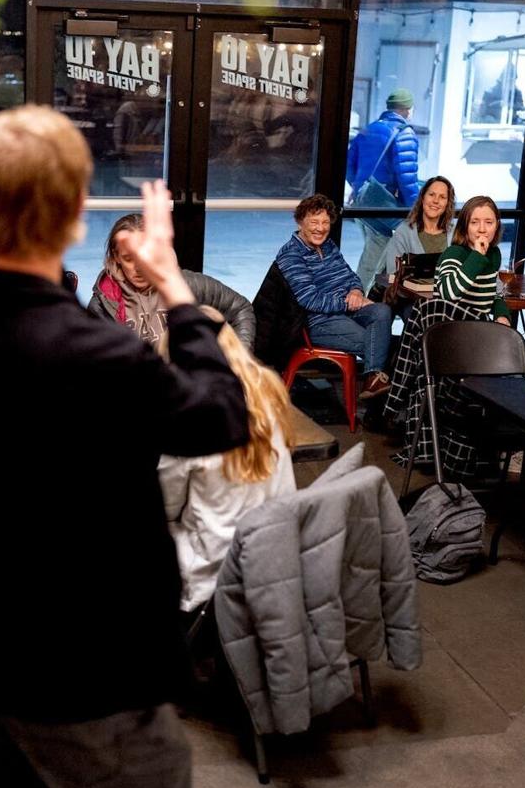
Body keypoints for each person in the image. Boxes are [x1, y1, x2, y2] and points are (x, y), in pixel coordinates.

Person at [0, 105, 248, 788]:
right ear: (76, 214)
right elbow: (222, 418)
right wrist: (176, 286)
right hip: (90, 672)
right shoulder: (101, 352)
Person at [158, 307, 295, 613]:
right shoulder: (269, 393)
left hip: (212, 574)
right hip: (273, 560)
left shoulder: (186, 417)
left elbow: (165, 506)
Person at [276, 194, 394, 398]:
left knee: (382, 310)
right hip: (318, 322)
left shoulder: (328, 246)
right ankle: (377, 388)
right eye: (314, 222)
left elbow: (351, 277)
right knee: (383, 345)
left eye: (325, 222)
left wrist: (356, 291)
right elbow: (309, 299)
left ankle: (373, 379)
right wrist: (348, 303)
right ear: (300, 221)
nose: (320, 228)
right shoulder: (291, 254)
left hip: (346, 312)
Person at [435, 196, 525, 377]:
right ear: (464, 227)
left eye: (489, 222)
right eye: (474, 222)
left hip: (482, 334)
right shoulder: (454, 254)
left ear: (497, 226)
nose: (482, 229)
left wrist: (501, 315)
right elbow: (448, 294)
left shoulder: (493, 254)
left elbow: (494, 293)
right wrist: (477, 256)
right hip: (454, 339)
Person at [89, 214, 256, 350]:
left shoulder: (185, 284)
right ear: (116, 257)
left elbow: (240, 308)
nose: (139, 268)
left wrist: (238, 363)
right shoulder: (103, 304)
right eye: (128, 258)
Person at [345, 88, 420, 206]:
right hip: (387, 203)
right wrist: (415, 207)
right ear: (407, 109)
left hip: (363, 202)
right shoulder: (404, 133)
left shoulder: (368, 129)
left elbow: (348, 164)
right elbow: (407, 178)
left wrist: (359, 187)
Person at [377, 175, 455, 287]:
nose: (436, 201)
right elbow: (392, 274)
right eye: (431, 195)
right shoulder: (404, 232)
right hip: (410, 299)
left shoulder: (455, 233)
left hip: (447, 300)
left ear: (448, 203)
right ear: (423, 197)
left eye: (442, 197)